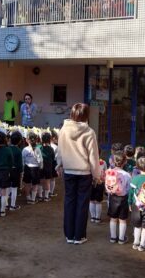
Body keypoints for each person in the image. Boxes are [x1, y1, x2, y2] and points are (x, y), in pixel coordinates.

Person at [56, 103, 101, 245]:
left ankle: (69, 235)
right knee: (82, 204)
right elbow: (93, 156)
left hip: (69, 171)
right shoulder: (90, 132)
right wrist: (96, 175)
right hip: (84, 173)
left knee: (69, 202)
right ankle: (79, 236)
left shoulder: (64, 130)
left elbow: (60, 150)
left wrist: (59, 164)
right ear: (86, 115)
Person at [105, 153, 132, 244]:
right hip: (123, 199)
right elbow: (129, 188)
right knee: (122, 220)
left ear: (113, 161)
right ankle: (121, 238)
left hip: (113, 197)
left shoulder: (109, 173)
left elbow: (107, 186)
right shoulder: (127, 175)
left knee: (113, 218)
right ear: (125, 162)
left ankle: (113, 237)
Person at [22, 131, 43, 204]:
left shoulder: (25, 149)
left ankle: (28, 198)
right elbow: (40, 160)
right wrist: (41, 167)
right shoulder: (37, 149)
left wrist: (23, 169)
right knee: (35, 184)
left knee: (27, 183)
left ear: (27, 140)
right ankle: (33, 199)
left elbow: (22, 160)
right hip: (35, 169)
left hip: (27, 168)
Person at [8, 130, 24, 211]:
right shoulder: (18, 150)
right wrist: (21, 172)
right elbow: (20, 164)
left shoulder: (7, 148)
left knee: (7, 188)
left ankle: (6, 204)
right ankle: (12, 205)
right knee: (14, 189)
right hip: (15, 171)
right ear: (19, 141)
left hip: (7, 170)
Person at [39, 132, 55, 202]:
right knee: (47, 182)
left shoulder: (39, 148)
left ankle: (40, 196)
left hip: (41, 167)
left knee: (40, 182)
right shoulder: (51, 149)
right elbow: (53, 158)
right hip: (48, 167)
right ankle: (46, 197)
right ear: (49, 139)